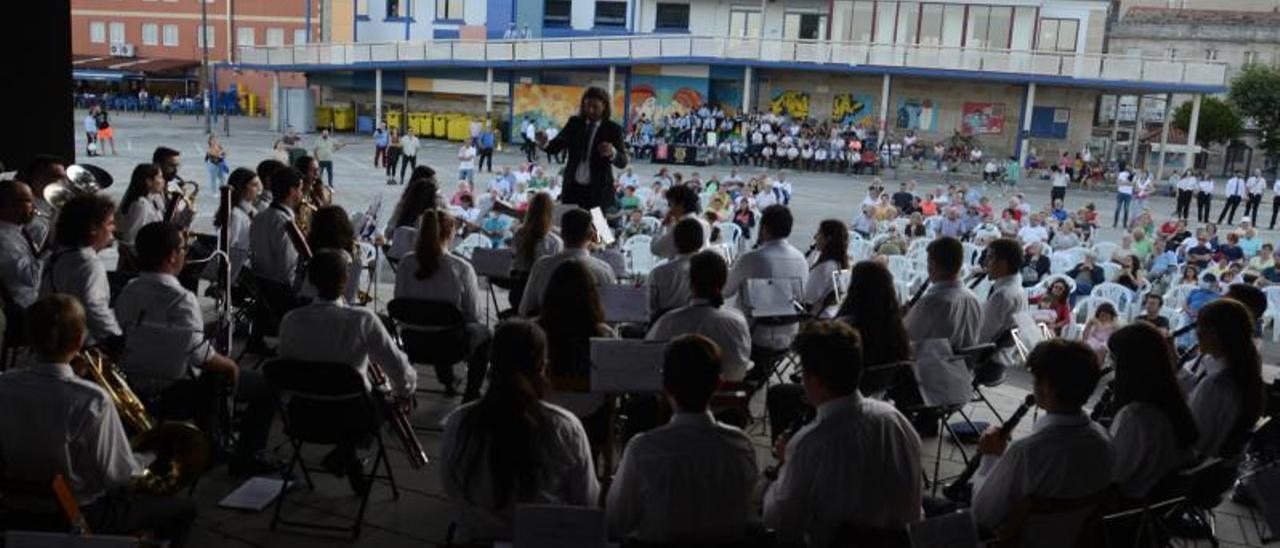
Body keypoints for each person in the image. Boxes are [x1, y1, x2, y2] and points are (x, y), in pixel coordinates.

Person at [0, 295, 196, 546]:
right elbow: (118, 476)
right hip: (79, 512)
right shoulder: (92, 400)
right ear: (77, 340)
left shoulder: (4, 383)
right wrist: (151, 456)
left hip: (14, 507)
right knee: (185, 509)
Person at [115, 222, 278, 475]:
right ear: (171, 256)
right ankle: (245, 456)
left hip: (137, 385)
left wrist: (203, 329)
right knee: (266, 386)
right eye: (183, 248)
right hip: (179, 390)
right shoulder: (182, 298)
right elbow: (199, 356)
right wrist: (231, 365)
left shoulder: (129, 289)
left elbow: (144, 333)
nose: (185, 254)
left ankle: (215, 436)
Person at [763, 321, 923, 547]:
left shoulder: (809, 443)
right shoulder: (895, 419)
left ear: (815, 381)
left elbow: (779, 522)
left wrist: (784, 463)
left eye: (803, 373)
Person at [440, 320, 598, 539]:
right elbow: (586, 504)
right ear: (542, 367)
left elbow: (452, 490)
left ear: (491, 364)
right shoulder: (566, 428)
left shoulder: (458, 423)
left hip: (476, 539)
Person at [279, 250, 417, 489]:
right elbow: (399, 369)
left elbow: (288, 367)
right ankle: (344, 453)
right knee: (390, 397)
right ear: (345, 280)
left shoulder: (290, 320)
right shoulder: (361, 319)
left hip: (302, 417)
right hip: (352, 418)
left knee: (352, 393)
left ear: (311, 281)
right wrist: (406, 392)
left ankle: (346, 456)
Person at [607, 334, 758, 544]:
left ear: (665, 385)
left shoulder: (643, 449)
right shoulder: (741, 445)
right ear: (719, 384)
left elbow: (617, 522)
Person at [971, 339, 1113, 544]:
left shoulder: (1026, 452)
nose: (1033, 385)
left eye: (1035, 378)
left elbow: (982, 515)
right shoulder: (1105, 441)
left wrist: (990, 457)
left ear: (1047, 387)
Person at [394, 209, 490, 401]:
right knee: (484, 333)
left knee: (438, 324)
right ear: (450, 232)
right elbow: (473, 314)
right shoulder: (461, 268)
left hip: (412, 342)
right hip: (450, 347)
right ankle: (471, 394)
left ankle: (447, 379)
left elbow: (399, 304)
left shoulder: (405, 263)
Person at [1106, 323, 1199, 500]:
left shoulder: (1134, 416)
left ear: (1128, 365)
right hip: (1156, 498)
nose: (1111, 365)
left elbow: (1112, 475)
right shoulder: (1171, 400)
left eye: (1114, 359)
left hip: (1127, 506)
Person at [724, 205, 808, 383]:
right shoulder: (801, 258)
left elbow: (725, 291)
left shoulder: (752, 258)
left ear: (765, 228)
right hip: (787, 338)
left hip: (753, 337)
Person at [647, 251, 752, 382]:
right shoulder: (738, 321)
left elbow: (649, 362)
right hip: (729, 399)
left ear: (690, 283)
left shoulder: (669, 322)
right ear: (724, 282)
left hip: (679, 399)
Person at [1185, 299, 1265, 459]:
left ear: (1213, 333)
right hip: (1223, 465)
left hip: (1197, 470)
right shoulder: (1246, 366)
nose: (1196, 333)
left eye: (1199, 327)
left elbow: (1192, 443)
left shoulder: (1214, 385)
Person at [39, 194, 121, 347]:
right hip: (78, 346)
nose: (113, 228)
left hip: (51, 342)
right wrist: (117, 340)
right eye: (109, 223)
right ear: (93, 229)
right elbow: (94, 309)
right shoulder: (89, 264)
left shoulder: (57, 256)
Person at [535, 86, 629, 211]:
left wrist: (612, 153)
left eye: (595, 107)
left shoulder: (613, 129)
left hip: (598, 194)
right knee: (569, 229)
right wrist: (545, 143)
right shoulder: (574, 123)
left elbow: (623, 162)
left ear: (604, 106)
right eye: (587, 106)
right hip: (572, 191)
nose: (590, 110)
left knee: (595, 230)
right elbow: (556, 146)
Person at [518, 208, 615, 317]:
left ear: (562, 234)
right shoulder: (604, 270)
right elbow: (610, 314)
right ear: (591, 235)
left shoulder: (541, 266)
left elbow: (525, 310)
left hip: (548, 332)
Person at [904, 236, 981, 349]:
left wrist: (902, 317)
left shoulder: (932, 302)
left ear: (933, 264)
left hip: (930, 365)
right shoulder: (974, 299)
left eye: (928, 262)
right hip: (963, 365)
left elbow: (906, 339)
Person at [248, 167, 305, 287]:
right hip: (283, 293)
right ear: (292, 191)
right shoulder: (286, 224)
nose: (302, 194)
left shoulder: (258, 217)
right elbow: (288, 271)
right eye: (300, 189)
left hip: (262, 288)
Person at [978, 238, 1028, 369]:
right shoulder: (1017, 288)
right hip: (1001, 357)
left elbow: (982, 338)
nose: (985, 263)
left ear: (1003, 263)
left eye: (990, 258)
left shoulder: (1002, 295)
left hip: (987, 361)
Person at [509, 191, 562, 308]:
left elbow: (514, 258)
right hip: (542, 296)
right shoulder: (554, 241)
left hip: (518, 290)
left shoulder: (519, 233)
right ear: (551, 213)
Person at [646, 218, 703, 320]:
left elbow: (648, 307)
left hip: (663, 330)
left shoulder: (659, 273)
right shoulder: (710, 270)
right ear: (701, 242)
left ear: (674, 243)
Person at [212, 168, 261, 285]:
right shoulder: (236, 215)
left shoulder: (251, 211)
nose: (258, 190)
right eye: (254, 185)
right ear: (241, 187)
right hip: (240, 271)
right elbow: (229, 248)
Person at [115, 164, 166, 273]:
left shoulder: (154, 198)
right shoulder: (140, 205)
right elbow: (130, 239)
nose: (163, 181)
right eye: (160, 177)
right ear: (149, 181)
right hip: (139, 265)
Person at [0, 180, 42, 309]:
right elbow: (32, 279)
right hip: (21, 310)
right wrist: (52, 245)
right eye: (28, 200)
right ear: (8, 205)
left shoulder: (18, 230)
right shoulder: (3, 239)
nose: (34, 206)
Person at [803, 220, 850, 317]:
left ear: (828, 239)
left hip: (815, 320)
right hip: (831, 316)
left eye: (819, 233)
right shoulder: (841, 264)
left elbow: (807, 298)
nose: (815, 237)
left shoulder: (824, 267)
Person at [651, 185, 711, 258]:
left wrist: (663, 225)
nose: (669, 208)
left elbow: (656, 249)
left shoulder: (679, 227)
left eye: (670, 204)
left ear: (680, 205)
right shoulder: (705, 224)